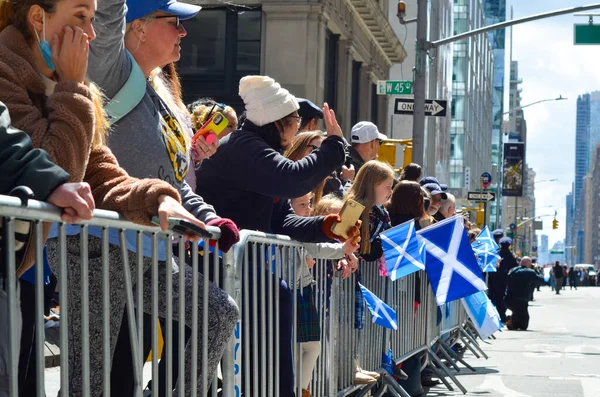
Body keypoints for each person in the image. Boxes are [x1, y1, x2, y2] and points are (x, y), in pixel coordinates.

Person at [86, 0, 244, 395]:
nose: (184, 32)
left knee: (220, 314)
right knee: (98, 377)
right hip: (96, 248)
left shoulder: (158, 92)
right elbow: (106, 16)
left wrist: (210, 219)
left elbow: (173, 180)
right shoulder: (111, 70)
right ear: (137, 27)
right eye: (174, 22)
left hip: (147, 250)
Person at [196, 75, 354, 396]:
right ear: (277, 122)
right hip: (218, 272)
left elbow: (283, 221)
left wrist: (329, 228)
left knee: (275, 309)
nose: (298, 126)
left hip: (243, 275)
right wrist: (334, 148)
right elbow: (294, 180)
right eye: (294, 119)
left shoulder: (257, 151)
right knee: (203, 368)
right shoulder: (243, 147)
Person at [289, 193, 358, 397]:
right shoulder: (287, 225)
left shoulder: (302, 228)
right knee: (294, 350)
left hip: (303, 289)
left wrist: (343, 250)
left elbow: (314, 247)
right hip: (287, 291)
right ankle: (297, 391)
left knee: (313, 347)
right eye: (302, 204)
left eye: (309, 204)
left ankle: (301, 391)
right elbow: (314, 247)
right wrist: (342, 250)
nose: (308, 210)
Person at [504, 256, 545, 331]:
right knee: (523, 325)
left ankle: (512, 320)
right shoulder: (530, 272)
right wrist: (536, 270)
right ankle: (511, 322)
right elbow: (542, 281)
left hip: (508, 299)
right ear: (529, 264)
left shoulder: (512, 270)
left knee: (517, 313)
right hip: (521, 301)